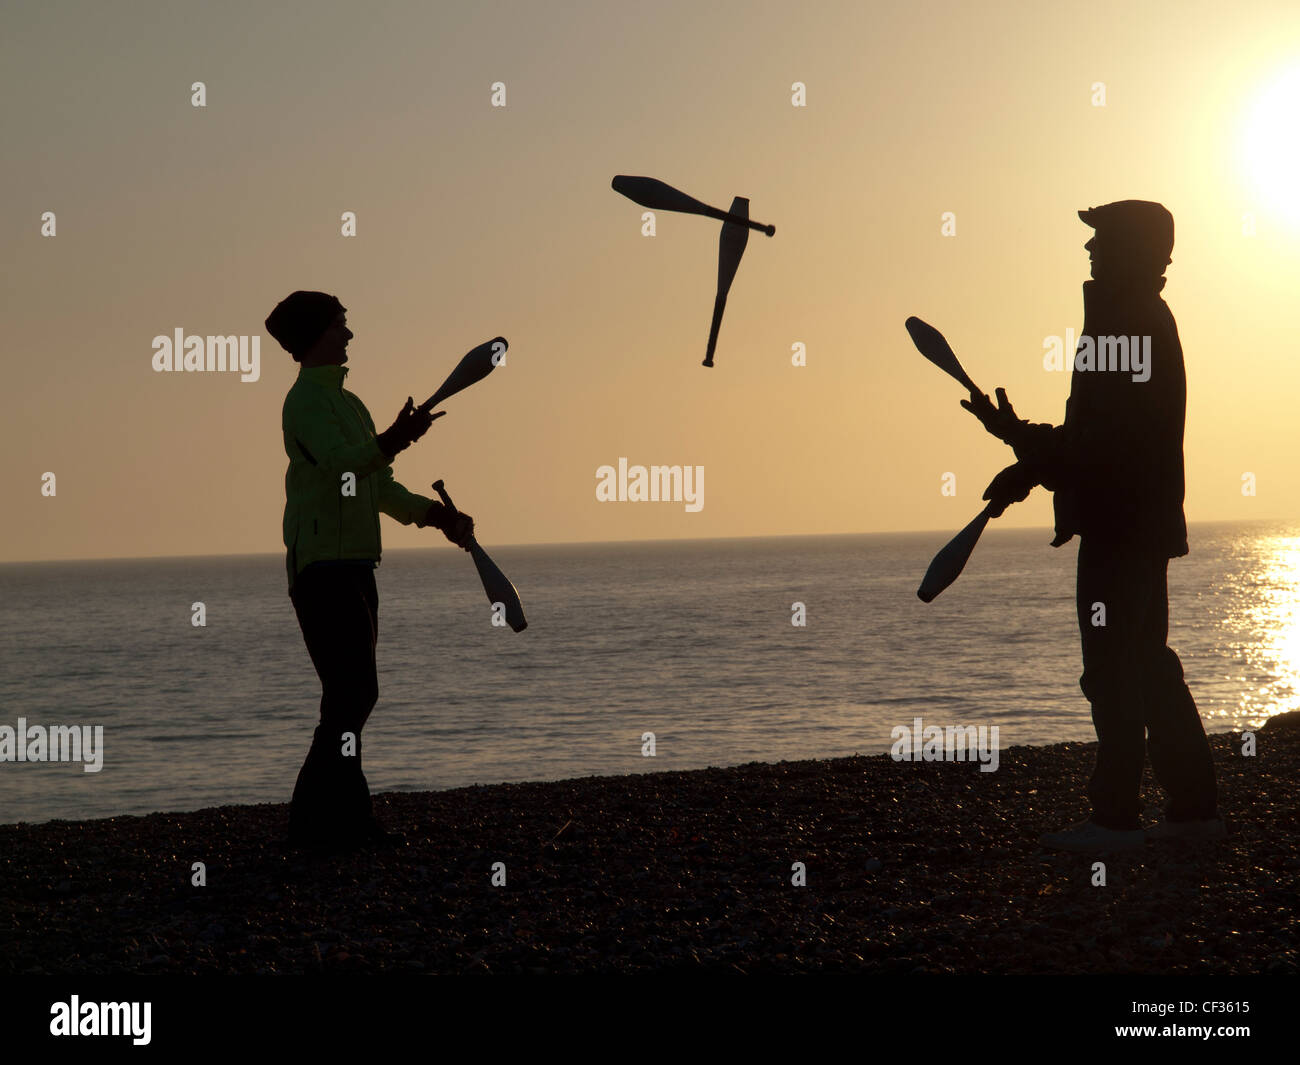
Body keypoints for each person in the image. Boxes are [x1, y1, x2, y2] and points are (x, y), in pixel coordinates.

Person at [963, 201, 1223, 852]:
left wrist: (1027, 466)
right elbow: (1096, 436)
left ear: (1134, 249)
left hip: (1121, 523)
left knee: (1114, 669)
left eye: (1102, 240)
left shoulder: (1125, 321)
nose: (1090, 250)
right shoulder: (1134, 317)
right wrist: (1020, 438)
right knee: (1145, 663)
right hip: (1137, 521)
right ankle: (1192, 811)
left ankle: (1115, 821)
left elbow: (1104, 443)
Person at [265, 291, 474, 850]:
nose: (349, 335)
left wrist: (435, 516)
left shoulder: (350, 404)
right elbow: (339, 467)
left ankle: (328, 823)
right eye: (341, 325)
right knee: (351, 694)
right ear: (316, 334)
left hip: (356, 564)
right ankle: (325, 823)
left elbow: (374, 484)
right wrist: (395, 438)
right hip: (320, 568)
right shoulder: (304, 403)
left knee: (353, 695)